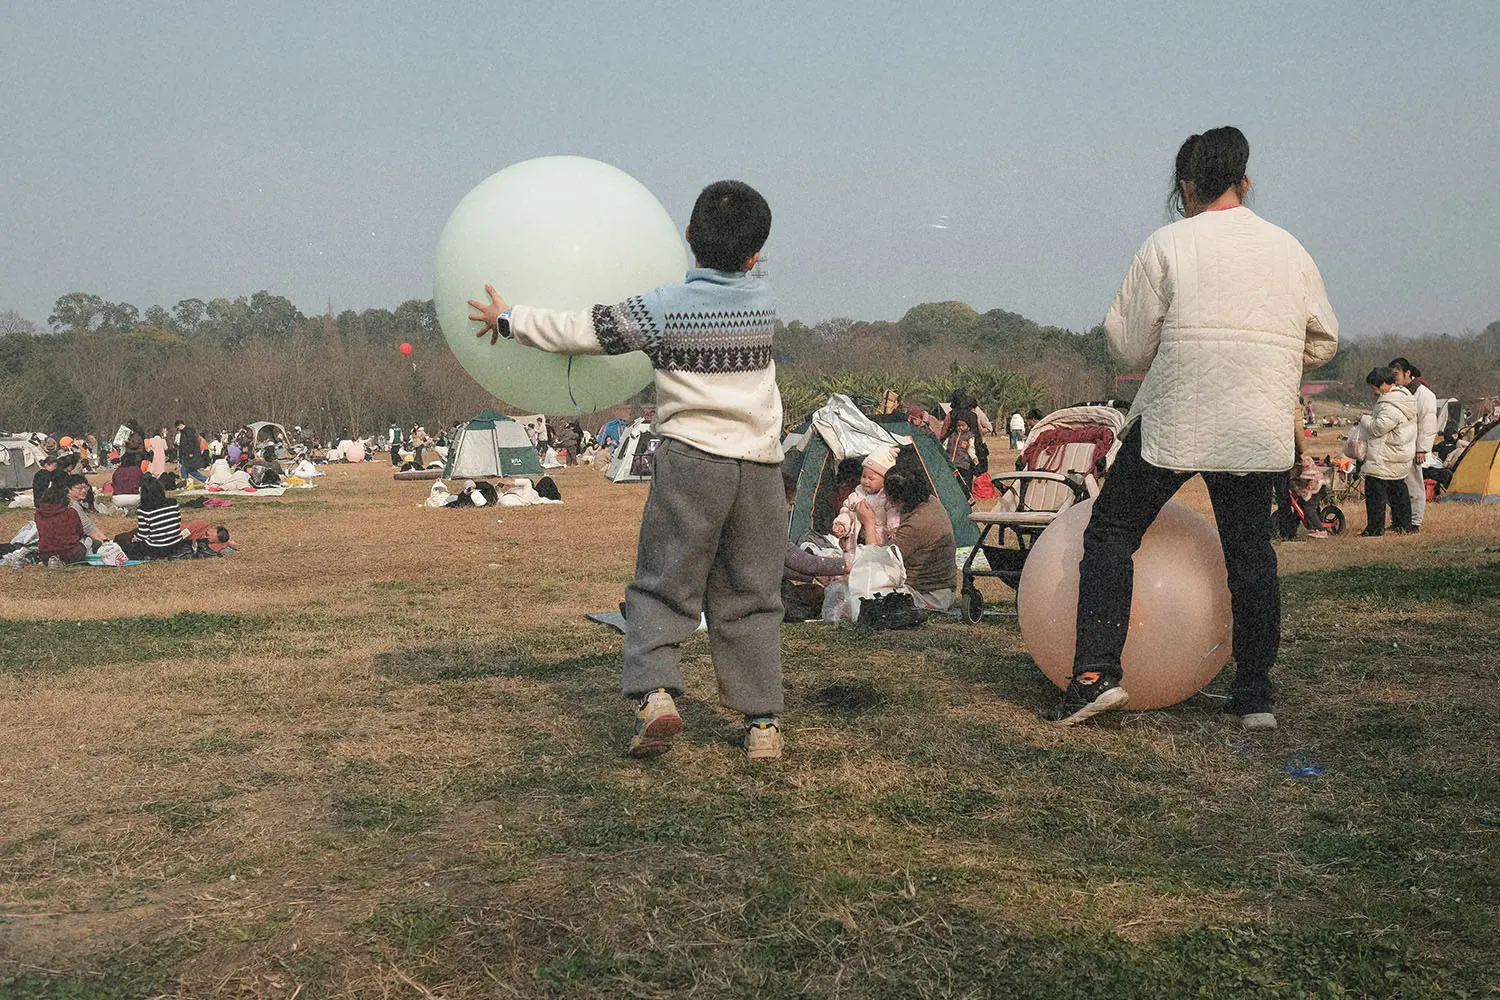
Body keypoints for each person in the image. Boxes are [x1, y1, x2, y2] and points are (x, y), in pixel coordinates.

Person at [469, 180, 786, 761]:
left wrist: (510, 318)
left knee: (665, 583)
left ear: (688, 237)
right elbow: (740, 264)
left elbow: (583, 330)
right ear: (755, 255)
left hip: (692, 462)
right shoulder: (763, 304)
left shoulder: (664, 309)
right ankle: (762, 722)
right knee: (752, 592)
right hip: (761, 468)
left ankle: (658, 695)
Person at [1049, 126, 1338, 732]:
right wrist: (1272, 357)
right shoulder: (1290, 249)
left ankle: (1095, 674)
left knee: (1112, 532)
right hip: (1253, 424)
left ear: (1185, 186)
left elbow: (1128, 341)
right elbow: (1323, 338)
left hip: (1179, 414)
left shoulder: (1168, 244)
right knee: (1249, 552)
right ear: (1245, 182)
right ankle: (1254, 691)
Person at [871, 464, 957, 611]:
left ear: (898, 500)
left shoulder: (917, 524)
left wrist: (868, 522)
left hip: (929, 595)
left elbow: (877, 561)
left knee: (864, 593)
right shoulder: (930, 501)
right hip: (943, 589)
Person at [1357, 366, 1417, 537]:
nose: (1373, 390)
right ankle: (1403, 524)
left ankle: (1375, 528)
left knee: (1375, 492)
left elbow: (1377, 428)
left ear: (1383, 384)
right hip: (1398, 453)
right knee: (1398, 489)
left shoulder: (1390, 404)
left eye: (1374, 386)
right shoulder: (1404, 398)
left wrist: (1364, 418)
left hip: (1385, 456)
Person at [1388, 358, 1437, 533]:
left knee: (1414, 485)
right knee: (1397, 486)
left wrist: (1422, 448)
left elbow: (1428, 423)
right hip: (1400, 446)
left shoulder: (1424, 394)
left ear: (1408, 373)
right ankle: (1399, 520)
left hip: (1414, 446)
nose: (1394, 378)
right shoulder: (1399, 392)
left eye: (1396, 374)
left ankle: (1415, 521)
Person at [831, 446, 900, 552]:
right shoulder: (857, 494)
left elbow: (893, 513)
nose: (866, 481)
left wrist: (893, 528)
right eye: (864, 476)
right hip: (857, 537)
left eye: (871, 478)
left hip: (880, 538)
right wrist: (842, 524)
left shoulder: (886, 498)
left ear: (884, 481)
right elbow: (847, 511)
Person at [116, 475, 187, 560]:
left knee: (123, 542)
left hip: (156, 548)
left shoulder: (144, 509)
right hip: (176, 544)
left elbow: (143, 535)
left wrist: (134, 539)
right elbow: (178, 522)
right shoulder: (173, 503)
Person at [35, 480, 89, 567]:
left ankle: (54, 561)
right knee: (83, 548)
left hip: (45, 554)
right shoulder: (71, 512)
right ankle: (62, 563)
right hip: (69, 552)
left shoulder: (38, 514)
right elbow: (79, 531)